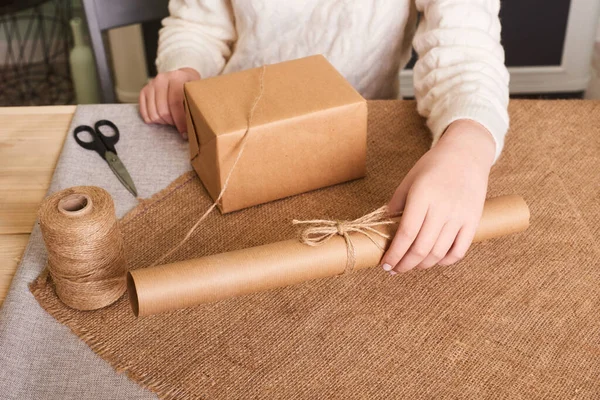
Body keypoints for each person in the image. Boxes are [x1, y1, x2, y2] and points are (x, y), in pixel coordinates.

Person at [139, 0, 509, 275]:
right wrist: (184, 67)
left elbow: (466, 50)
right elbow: (197, 26)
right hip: (237, 136)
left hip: (363, 137)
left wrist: (467, 146)